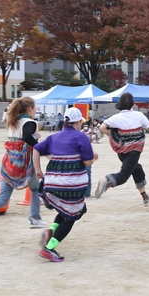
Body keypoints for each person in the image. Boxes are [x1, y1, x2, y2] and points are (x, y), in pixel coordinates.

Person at [32, 107, 98, 262]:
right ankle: (49, 248)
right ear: (77, 122)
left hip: (51, 184)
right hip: (71, 185)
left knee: (69, 210)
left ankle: (52, 230)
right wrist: (94, 157)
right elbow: (87, 161)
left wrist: (38, 170)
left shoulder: (54, 137)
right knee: (72, 215)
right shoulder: (81, 137)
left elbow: (35, 149)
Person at [0, 96, 46, 233]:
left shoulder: (12, 122)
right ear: (30, 108)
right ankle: (34, 218)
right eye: (35, 108)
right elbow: (26, 137)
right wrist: (40, 147)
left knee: (2, 198)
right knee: (35, 189)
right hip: (24, 166)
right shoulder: (30, 123)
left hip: (8, 164)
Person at [95, 92, 149, 206]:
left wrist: (111, 135)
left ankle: (145, 197)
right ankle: (108, 180)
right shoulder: (139, 115)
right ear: (132, 104)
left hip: (121, 150)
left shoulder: (116, 117)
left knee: (137, 169)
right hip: (134, 150)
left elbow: (102, 127)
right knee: (124, 175)